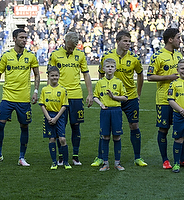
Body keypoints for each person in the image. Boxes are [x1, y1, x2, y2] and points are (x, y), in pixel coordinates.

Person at [147, 28, 184, 169]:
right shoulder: (157, 55)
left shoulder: (178, 55)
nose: (180, 40)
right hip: (164, 99)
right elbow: (150, 76)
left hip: (181, 100)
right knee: (163, 129)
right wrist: (168, 77)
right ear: (170, 39)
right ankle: (165, 160)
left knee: (182, 130)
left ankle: (183, 159)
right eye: (178, 38)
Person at [92, 30, 147, 167]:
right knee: (105, 128)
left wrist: (138, 94)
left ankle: (137, 157)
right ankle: (100, 157)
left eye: (130, 41)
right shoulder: (107, 56)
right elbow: (100, 74)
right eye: (125, 41)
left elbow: (140, 75)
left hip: (129, 97)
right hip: (111, 99)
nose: (128, 44)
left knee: (134, 125)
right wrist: (102, 92)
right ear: (117, 42)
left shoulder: (134, 58)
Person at [0, 28, 40, 167]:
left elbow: (36, 74)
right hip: (8, 96)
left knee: (24, 126)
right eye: (22, 37)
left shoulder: (31, 56)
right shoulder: (6, 56)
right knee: (0, 124)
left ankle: (21, 157)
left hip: (23, 98)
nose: (24, 40)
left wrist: (35, 91)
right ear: (14, 39)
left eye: (25, 37)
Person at [48, 32, 94, 166]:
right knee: (59, 127)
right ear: (65, 42)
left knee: (76, 125)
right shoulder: (55, 55)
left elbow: (86, 75)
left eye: (73, 47)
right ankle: (61, 156)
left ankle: (75, 155)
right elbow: (51, 75)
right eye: (69, 47)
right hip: (60, 96)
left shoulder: (80, 55)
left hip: (76, 96)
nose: (71, 49)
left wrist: (90, 94)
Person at [93, 58, 128, 171]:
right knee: (105, 136)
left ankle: (117, 163)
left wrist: (114, 97)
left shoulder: (118, 82)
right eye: (107, 67)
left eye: (112, 67)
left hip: (116, 110)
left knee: (117, 136)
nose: (110, 69)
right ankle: (105, 163)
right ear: (103, 69)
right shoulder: (100, 82)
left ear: (115, 69)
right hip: (105, 111)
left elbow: (125, 97)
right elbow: (95, 96)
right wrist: (101, 104)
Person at [39, 66, 71, 170]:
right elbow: (42, 104)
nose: (54, 78)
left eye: (56, 75)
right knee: (52, 139)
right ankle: (54, 162)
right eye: (52, 76)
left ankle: (66, 162)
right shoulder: (44, 89)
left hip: (59, 116)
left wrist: (56, 118)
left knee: (62, 139)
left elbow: (64, 105)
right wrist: (48, 117)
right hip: (49, 116)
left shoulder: (62, 90)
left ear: (59, 76)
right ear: (48, 76)